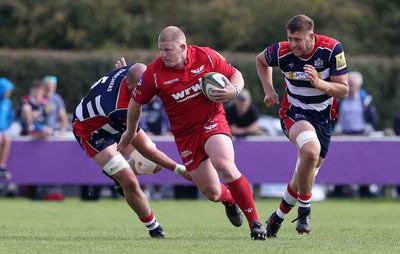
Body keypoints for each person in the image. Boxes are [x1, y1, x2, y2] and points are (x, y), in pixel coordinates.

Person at [118, 26, 267, 240]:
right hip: (185, 135)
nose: (163, 55)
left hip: (212, 120)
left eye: (168, 50)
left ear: (183, 47)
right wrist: (131, 131)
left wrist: (232, 90)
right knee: (212, 192)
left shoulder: (206, 56)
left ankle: (256, 225)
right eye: (160, 49)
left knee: (225, 166)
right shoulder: (154, 73)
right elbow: (136, 102)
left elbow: (236, 75)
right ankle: (229, 200)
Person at [72, 62, 191, 238]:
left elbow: (137, 77)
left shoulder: (134, 74)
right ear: (128, 85)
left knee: (153, 166)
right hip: (92, 132)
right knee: (130, 181)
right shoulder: (121, 108)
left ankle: (117, 174)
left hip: (111, 121)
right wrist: (179, 170)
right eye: (139, 89)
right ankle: (154, 228)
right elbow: (146, 150)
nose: (146, 93)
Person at [256, 14, 349, 237]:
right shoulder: (281, 51)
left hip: (324, 118)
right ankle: (305, 211)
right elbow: (260, 60)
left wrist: (319, 83)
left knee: (304, 174)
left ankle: (276, 218)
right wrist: (269, 89)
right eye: (290, 38)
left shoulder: (332, 49)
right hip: (294, 112)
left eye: (298, 39)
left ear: (311, 36)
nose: (293, 44)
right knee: (310, 151)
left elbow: (343, 90)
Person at [337, 71, 377, 135]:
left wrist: (368, 129)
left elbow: (372, 117)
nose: (351, 87)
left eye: (353, 84)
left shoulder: (366, 100)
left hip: (362, 133)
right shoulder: (340, 99)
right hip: (344, 133)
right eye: (349, 84)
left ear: (359, 85)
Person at [0, 78, 14, 180]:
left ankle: (2, 165)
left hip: (4, 129)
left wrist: (7, 126)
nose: (9, 93)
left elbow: (10, 116)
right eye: (7, 90)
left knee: (7, 139)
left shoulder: (8, 102)